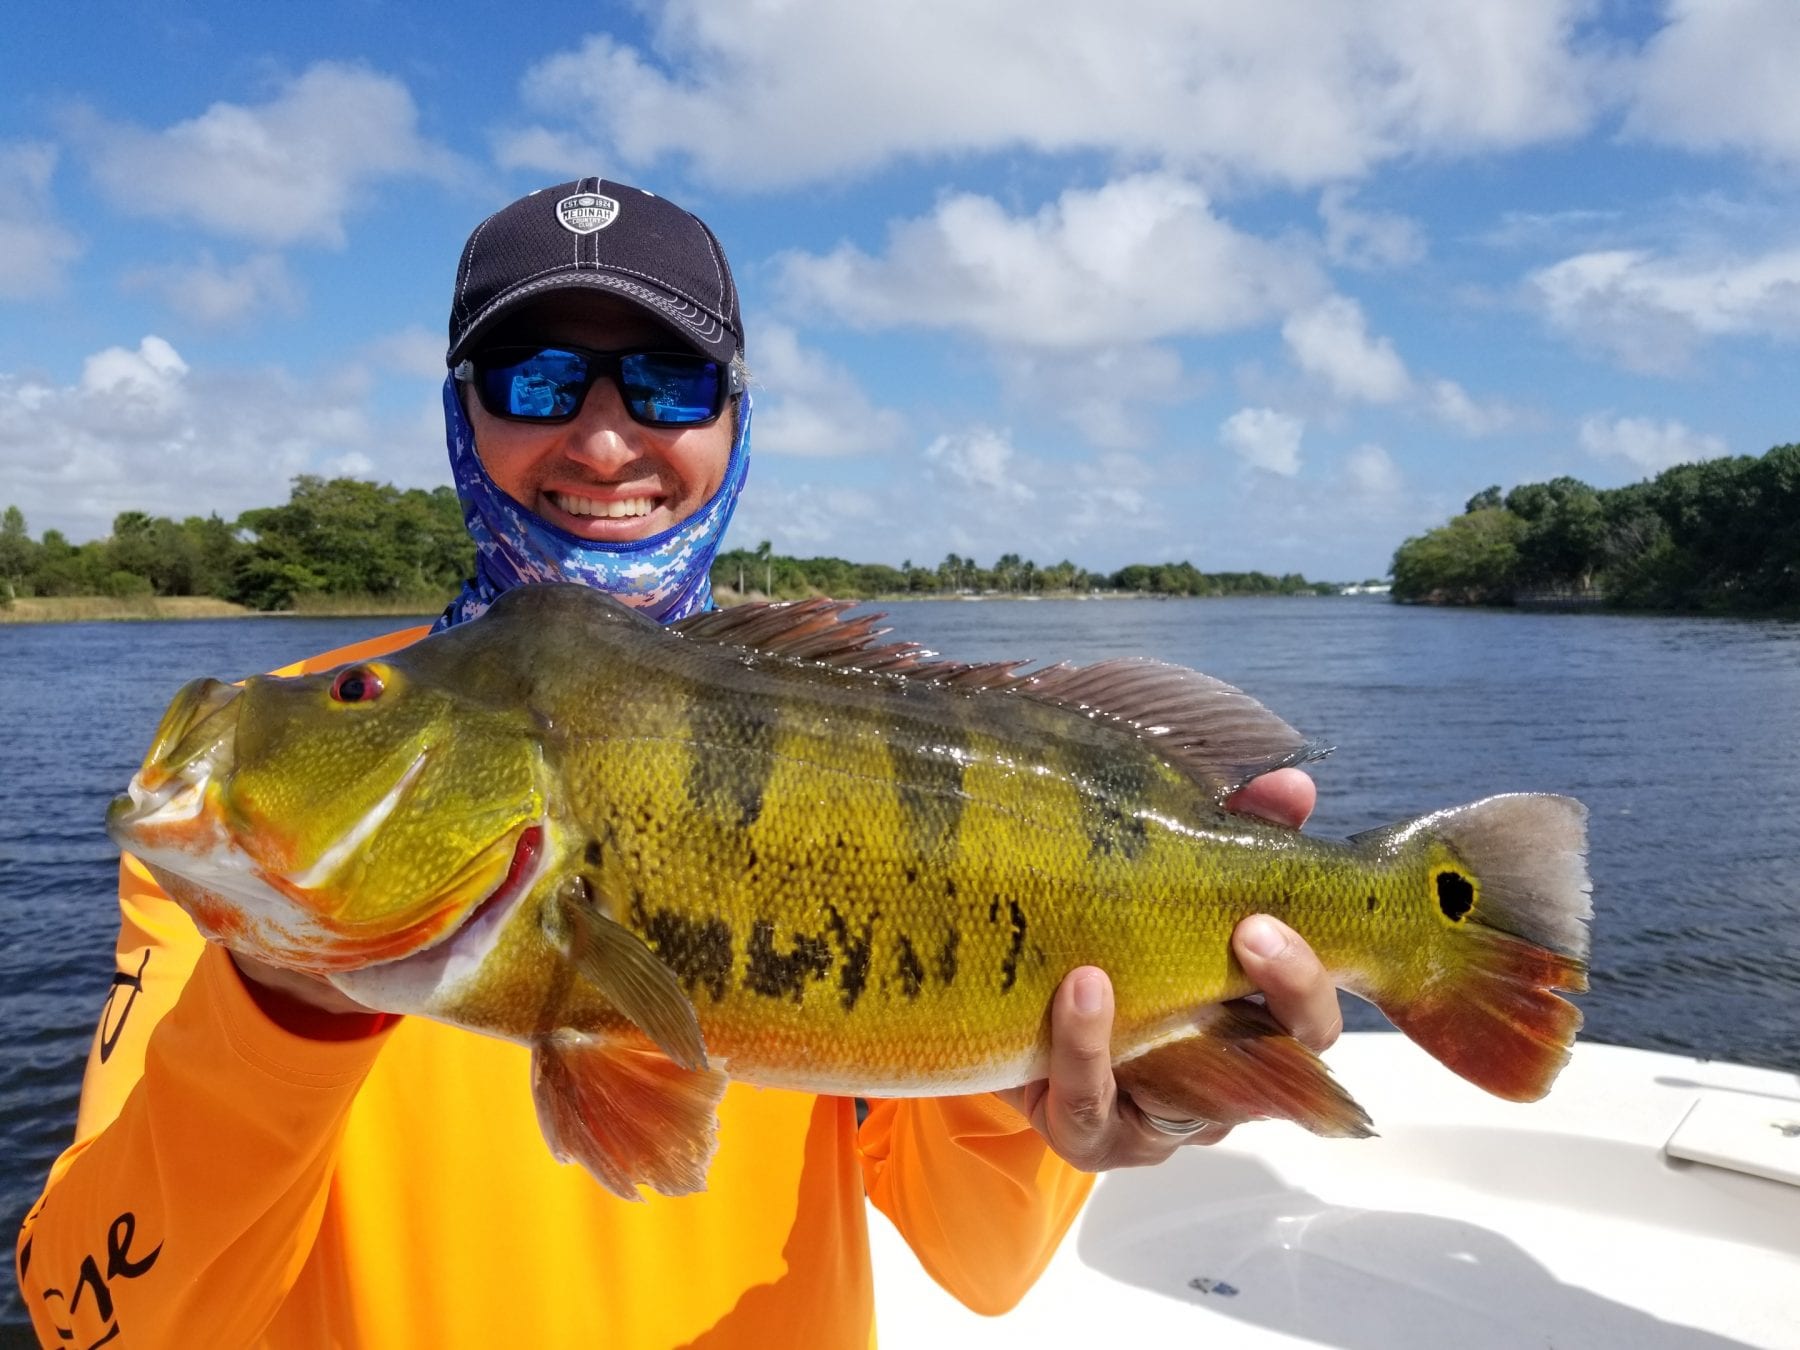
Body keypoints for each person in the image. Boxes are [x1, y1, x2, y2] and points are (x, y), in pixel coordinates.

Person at [16, 179, 1342, 1348]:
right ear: (461, 414)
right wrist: (284, 1002)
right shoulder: (268, 792)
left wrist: (1109, 1095)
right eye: (538, 379)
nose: (603, 441)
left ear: (734, 422)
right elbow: (96, 1316)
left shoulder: (858, 757)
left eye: (668, 384)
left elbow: (982, 1260)